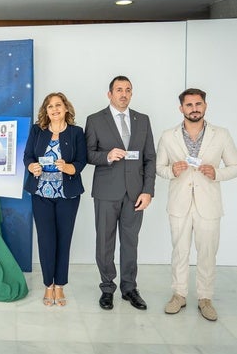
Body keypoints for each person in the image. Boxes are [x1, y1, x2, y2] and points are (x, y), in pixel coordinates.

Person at [156, 88, 237, 321]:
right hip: (179, 203)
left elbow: (234, 166)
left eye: (198, 104)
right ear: (181, 108)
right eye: (189, 105)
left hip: (209, 204)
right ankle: (179, 295)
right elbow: (159, 167)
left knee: (207, 253)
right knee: (179, 251)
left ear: (205, 106)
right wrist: (171, 170)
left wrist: (217, 173)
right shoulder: (168, 136)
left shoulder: (220, 134)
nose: (194, 108)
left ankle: (205, 298)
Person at [85, 75, 156, 311]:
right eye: (118, 90)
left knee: (130, 242)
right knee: (104, 242)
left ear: (131, 93)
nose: (123, 94)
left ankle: (129, 288)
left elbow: (150, 158)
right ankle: (107, 288)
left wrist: (148, 191)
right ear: (109, 94)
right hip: (106, 191)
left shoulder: (143, 120)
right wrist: (106, 156)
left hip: (135, 193)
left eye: (127, 90)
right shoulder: (95, 120)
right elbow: (88, 155)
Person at [23, 92, 87, 306]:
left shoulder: (76, 132)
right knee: (46, 240)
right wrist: (31, 166)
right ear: (46, 111)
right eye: (50, 106)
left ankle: (59, 286)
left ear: (66, 108)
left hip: (67, 195)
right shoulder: (37, 130)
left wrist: (68, 167)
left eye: (58, 105)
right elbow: (27, 156)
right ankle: (48, 286)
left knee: (63, 240)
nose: (54, 109)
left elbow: (81, 161)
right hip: (41, 195)